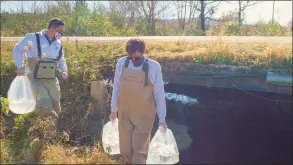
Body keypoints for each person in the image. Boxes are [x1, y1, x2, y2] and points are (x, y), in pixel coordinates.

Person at [110, 39, 167, 164]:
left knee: (139, 151)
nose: (134, 59)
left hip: (144, 115)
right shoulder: (122, 63)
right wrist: (113, 110)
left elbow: (159, 93)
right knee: (125, 150)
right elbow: (117, 87)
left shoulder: (153, 66)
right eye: (131, 57)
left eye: (137, 56)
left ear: (142, 52)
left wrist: (162, 119)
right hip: (125, 112)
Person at [13, 18, 68, 137]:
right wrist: (20, 66)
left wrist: (64, 71)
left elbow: (61, 60)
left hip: (52, 80)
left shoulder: (58, 44)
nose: (61, 34)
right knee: (45, 106)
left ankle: (48, 133)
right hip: (35, 79)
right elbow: (17, 49)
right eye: (60, 31)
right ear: (52, 28)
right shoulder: (32, 38)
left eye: (63, 31)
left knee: (56, 107)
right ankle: (47, 135)